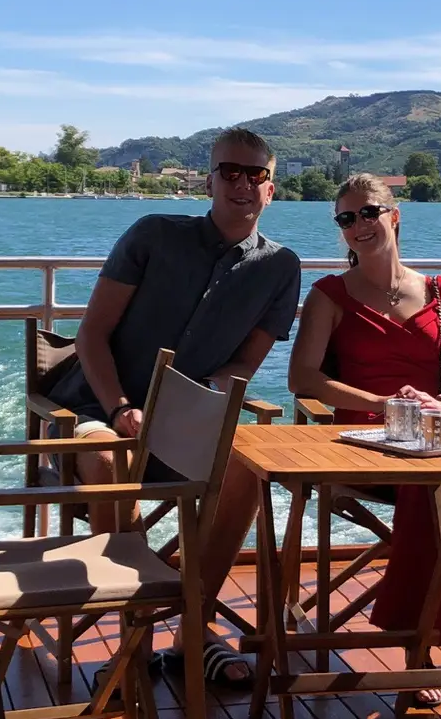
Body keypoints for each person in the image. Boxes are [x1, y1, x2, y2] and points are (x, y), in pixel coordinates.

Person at [42, 126, 300, 689]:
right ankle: (134, 635)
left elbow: (242, 366)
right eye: (229, 172)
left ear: (271, 189)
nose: (241, 184)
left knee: (247, 475)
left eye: (254, 174)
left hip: (184, 422)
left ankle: (191, 628)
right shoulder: (154, 235)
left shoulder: (280, 268)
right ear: (209, 181)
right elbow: (91, 336)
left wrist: (191, 404)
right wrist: (122, 409)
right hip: (97, 407)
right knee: (112, 465)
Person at [286, 172, 441, 706]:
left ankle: (429, 630)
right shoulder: (330, 295)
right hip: (364, 435)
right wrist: (382, 405)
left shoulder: (439, 292)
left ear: (394, 215)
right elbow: (303, 379)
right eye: (346, 218)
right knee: (432, 485)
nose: (358, 225)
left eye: (368, 213)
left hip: (436, 429)